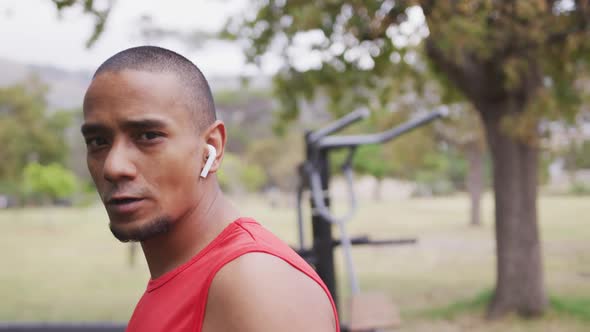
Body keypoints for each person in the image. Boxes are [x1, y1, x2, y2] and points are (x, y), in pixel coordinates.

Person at [81, 46, 339, 332]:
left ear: (212, 148)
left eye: (148, 136)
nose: (114, 167)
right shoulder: (184, 276)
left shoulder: (256, 283)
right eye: (98, 142)